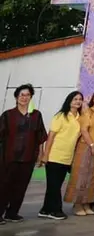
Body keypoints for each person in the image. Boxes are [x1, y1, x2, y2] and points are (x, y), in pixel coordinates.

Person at [0, 84, 47, 224]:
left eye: (27, 95)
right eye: (22, 95)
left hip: (28, 157)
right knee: (4, 186)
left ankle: (12, 213)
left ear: (31, 97)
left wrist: (41, 154)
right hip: (9, 158)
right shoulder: (8, 115)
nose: (24, 98)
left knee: (21, 186)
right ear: (16, 97)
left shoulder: (36, 115)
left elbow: (41, 137)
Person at [39, 91, 83, 220]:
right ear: (69, 101)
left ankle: (45, 210)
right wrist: (45, 155)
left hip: (67, 157)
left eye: (80, 99)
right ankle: (56, 211)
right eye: (75, 99)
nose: (78, 101)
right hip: (54, 156)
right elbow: (51, 137)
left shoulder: (80, 118)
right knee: (54, 185)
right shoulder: (60, 116)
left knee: (55, 185)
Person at [65, 89, 94, 216]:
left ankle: (87, 203)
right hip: (86, 147)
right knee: (82, 176)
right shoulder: (87, 112)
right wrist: (92, 145)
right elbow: (84, 130)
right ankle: (77, 204)